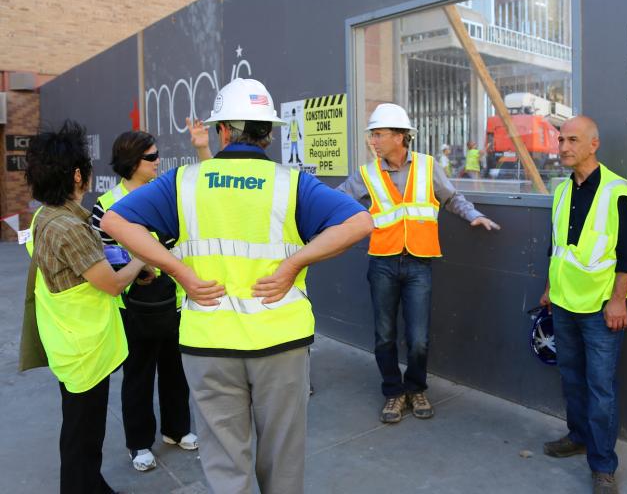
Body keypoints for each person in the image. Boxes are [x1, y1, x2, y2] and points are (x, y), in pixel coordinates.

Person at [102, 78, 373, 494]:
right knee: (283, 458)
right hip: (281, 340)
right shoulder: (291, 183)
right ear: (268, 133)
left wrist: (180, 272)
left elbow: (114, 221)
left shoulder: (184, 182)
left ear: (223, 130)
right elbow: (360, 222)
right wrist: (294, 264)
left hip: (209, 341)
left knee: (226, 461)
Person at [338, 103, 500, 424]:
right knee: (384, 335)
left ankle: (415, 388)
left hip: (418, 263)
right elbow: (337, 198)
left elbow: (451, 198)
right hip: (382, 263)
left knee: (419, 339)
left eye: (379, 134)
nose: (373, 141)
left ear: (400, 137)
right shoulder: (367, 173)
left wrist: (474, 215)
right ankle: (393, 392)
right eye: (372, 134)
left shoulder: (427, 166)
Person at [21, 120, 146, 493]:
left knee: (79, 433)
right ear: (78, 175)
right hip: (85, 351)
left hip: (66, 343)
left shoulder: (45, 216)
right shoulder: (70, 228)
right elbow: (111, 284)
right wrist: (141, 260)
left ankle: (90, 484)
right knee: (83, 438)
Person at [539, 116, 627, 494]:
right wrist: (549, 289)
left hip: (601, 309)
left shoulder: (618, 192)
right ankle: (578, 436)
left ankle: (603, 467)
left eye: (572, 140)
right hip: (564, 303)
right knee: (571, 378)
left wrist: (617, 301)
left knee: (601, 388)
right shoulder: (562, 190)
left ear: (593, 145)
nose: (563, 147)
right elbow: (556, 247)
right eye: (561, 140)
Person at [91, 131, 197, 472]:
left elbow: (179, 238)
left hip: (174, 299)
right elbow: (104, 252)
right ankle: (139, 443)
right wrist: (139, 266)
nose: (157, 161)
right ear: (131, 162)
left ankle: (177, 429)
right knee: (138, 375)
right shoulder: (107, 203)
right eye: (151, 157)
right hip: (133, 305)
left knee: (175, 369)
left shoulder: (165, 193)